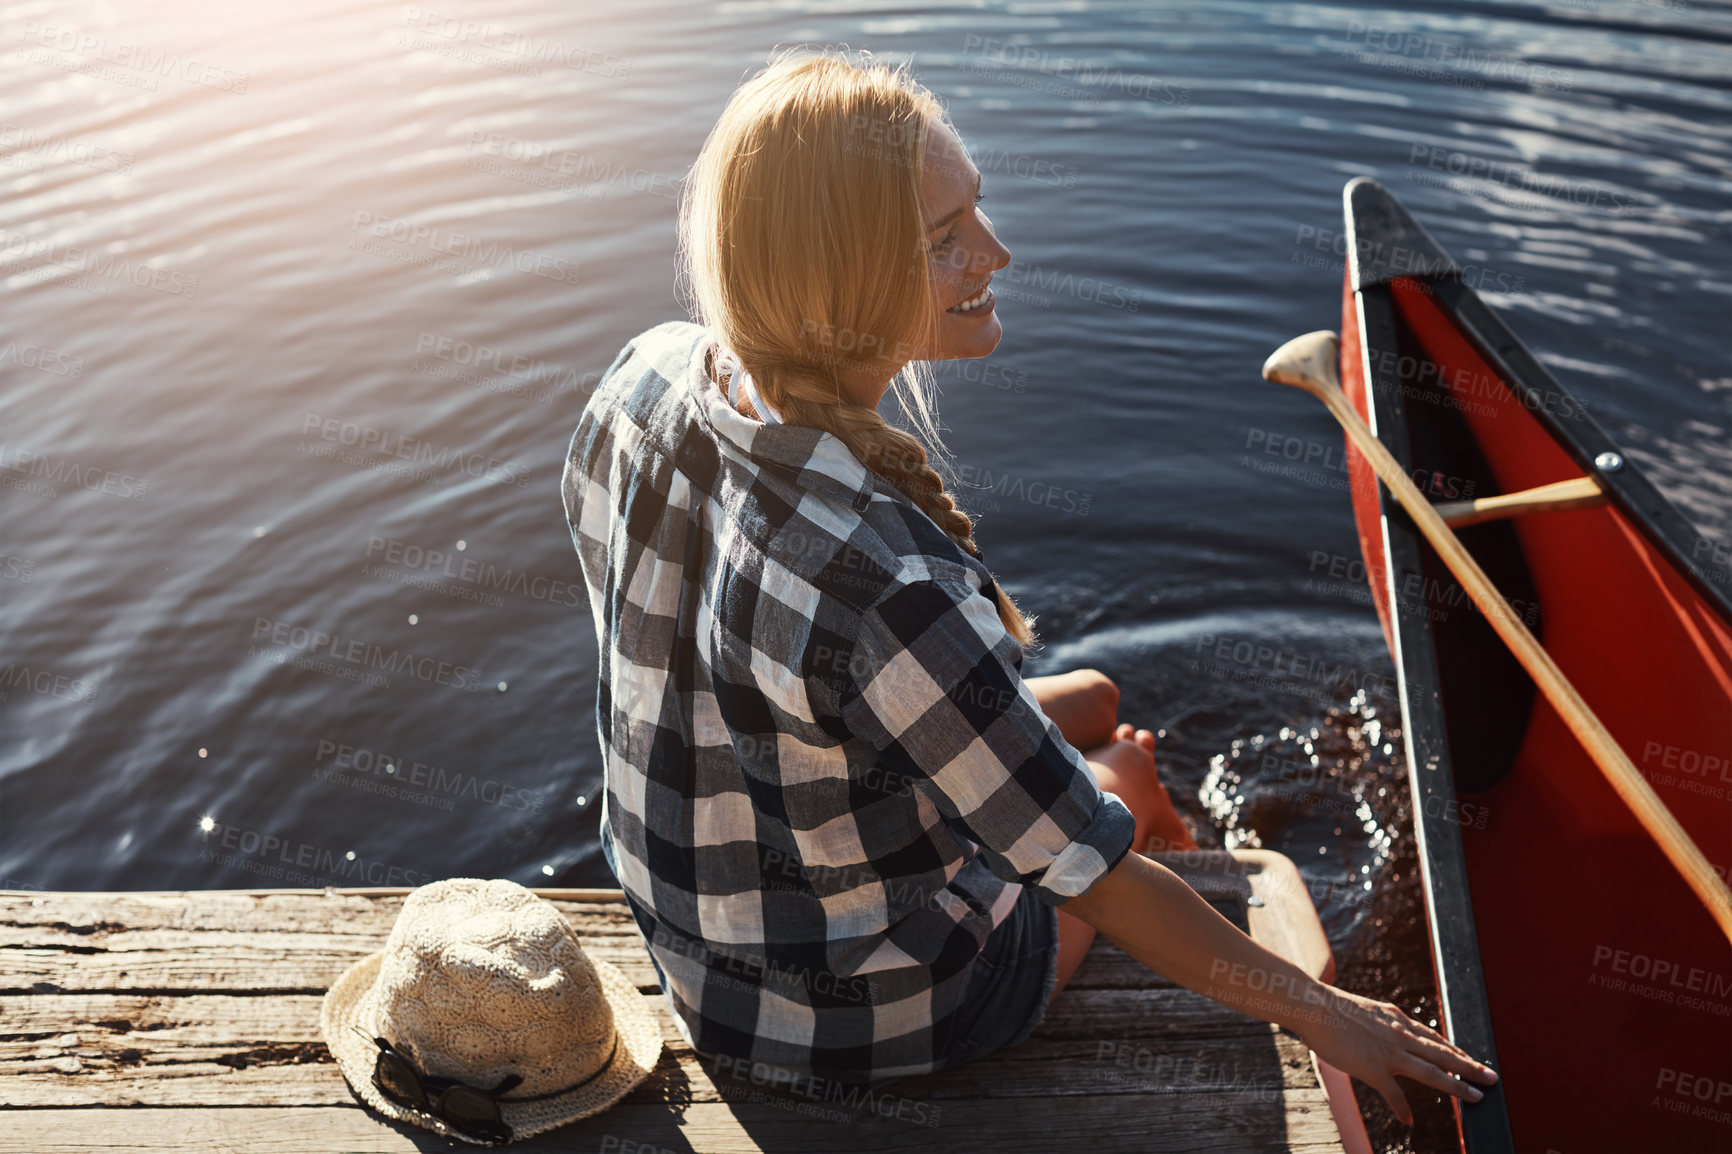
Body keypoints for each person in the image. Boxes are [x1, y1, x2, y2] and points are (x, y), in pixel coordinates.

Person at [562, 49, 1496, 1126]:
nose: (996, 254)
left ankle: (1124, 777)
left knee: (1091, 691)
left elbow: (695, 666)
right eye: (945, 240)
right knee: (1121, 764)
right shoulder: (882, 585)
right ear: (846, 278)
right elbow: (1088, 871)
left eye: (978, 213)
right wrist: (1325, 1010)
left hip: (693, 944)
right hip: (859, 1014)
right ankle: (1156, 798)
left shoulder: (641, 380)